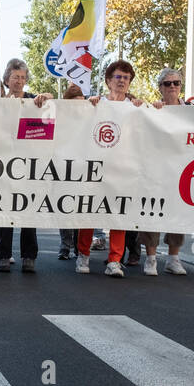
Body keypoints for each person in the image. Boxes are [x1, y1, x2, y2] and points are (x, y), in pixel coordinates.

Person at [73, 59, 144, 277]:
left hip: (122, 169)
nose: (122, 81)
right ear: (108, 81)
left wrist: (153, 108)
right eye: (118, 77)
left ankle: (114, 260)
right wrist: (88, 105)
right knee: (88, 212)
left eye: (126, 78)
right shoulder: (95, 103)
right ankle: (83, 255)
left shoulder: (135, 108)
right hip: (94, 168)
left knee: (118, 214)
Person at [0, 58, 50, 273]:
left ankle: (29, 256)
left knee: (28, 211)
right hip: (4, 165)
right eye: (16, 77)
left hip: (28, 166)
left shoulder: (33, 100)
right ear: (7, 79)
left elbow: (54, 103)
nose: (19, 81)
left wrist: (46, 97)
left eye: (23, 78)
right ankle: (3, 255)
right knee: (5, 211)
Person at [139, 67, 190, 276]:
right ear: (160, 87)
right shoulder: (152, 108)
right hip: (156, 169)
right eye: (167, 84)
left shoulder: (192, 111)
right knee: (152, 210)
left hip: (181, 169)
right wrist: (152, 111)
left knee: (178, 212)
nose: (172, 87)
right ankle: (151, 258)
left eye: (176, 83)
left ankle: (173, 258)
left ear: (180, 86)